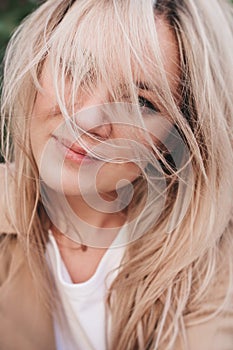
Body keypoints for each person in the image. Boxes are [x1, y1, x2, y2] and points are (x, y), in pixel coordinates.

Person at [1, 0, 233, 349]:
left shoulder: (217, 265)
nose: (88, 122)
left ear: (175, 137)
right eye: (77, 68)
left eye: (141, 103)